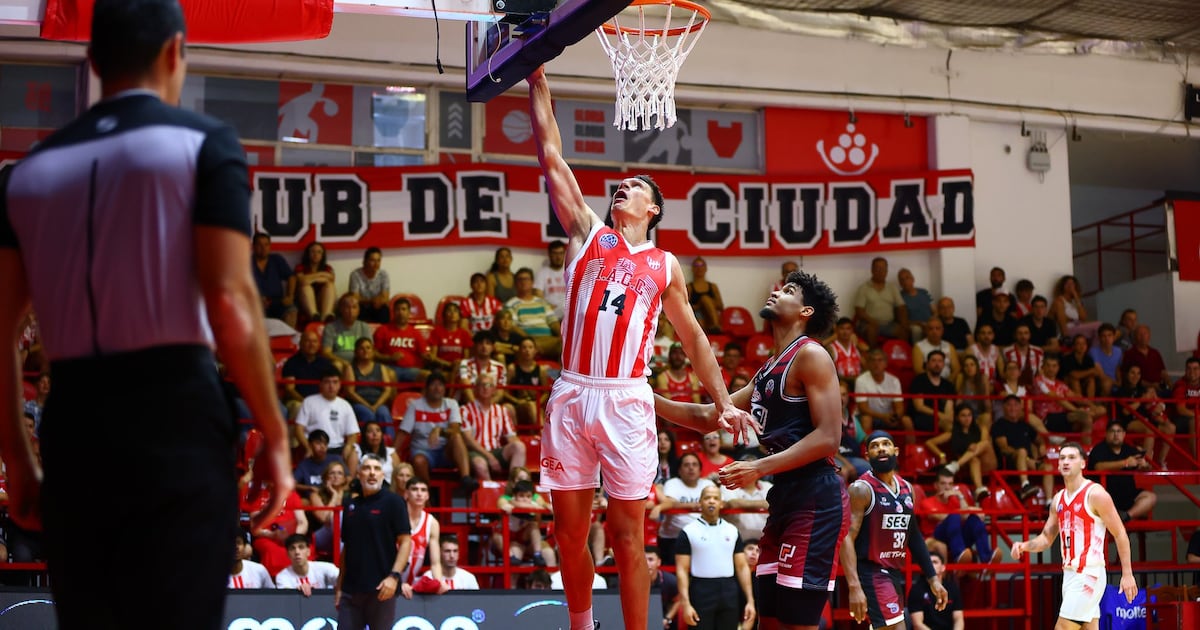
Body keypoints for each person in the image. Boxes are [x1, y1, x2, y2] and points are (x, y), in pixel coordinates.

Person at [0, 2, 293, 626]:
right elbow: (233, 304)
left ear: (93, 61)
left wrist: (19, 460)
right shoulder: (204, 143)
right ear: (175, 53)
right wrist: (275, 430)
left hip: (73, 420)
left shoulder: (23, 175)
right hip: (174, 415)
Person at [529, 65, 752, 630]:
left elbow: (696, 337)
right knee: (569, 533)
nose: (621, 187)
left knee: (629, 535)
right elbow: (552, 153)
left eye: (634, 186)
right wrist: (537, 81)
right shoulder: (585, 231)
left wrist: (723, 400)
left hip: (627, 399)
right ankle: (581, 624)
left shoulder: (664, 264)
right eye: (620, 184)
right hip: (574, 393)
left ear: (652, 208)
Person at [655, 269, 849, 630]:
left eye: (789, 291)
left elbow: (828, 438)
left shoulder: (811, 355)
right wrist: (641, 396)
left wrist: (758, 468)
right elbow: (705, 416)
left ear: (806, 312)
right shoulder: (766, 371)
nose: (777, 292)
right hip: (786, 496)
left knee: (796, 622)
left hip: (816, 496)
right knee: (770, 621)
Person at [1011, 443, 1138, 628]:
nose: (1066, 462)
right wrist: (1024, 546)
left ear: (1083, 463)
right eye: (1062, 458)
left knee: (1062, 627)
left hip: (1089, 574)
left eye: (1071, 457)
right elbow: (1046, 538)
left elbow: (1120, 533)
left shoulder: (1095, 494)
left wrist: (1127, 574)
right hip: (1070, 575)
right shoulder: (1058, 499)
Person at [841, 431, 948, 629]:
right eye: (874, 446)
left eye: (886, 444)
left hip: (892, 572)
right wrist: (854, 585)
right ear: (867, 455)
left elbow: (914, 536)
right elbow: (846, 537)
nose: (881, 448)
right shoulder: (861, 489)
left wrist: (933, 578)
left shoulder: (908, 489)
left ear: (895, 451)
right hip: (871, 571)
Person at [336, 453, 413, 629]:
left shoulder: (394, 502)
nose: (372, 473)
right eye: (367, 468)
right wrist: (339, 586)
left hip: (381, 589)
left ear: (383, 475)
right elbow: (347, 548)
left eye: (377, 469)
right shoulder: (350, 505)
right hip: (351, 590)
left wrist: (394, 577)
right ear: (358, 474)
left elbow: (406, 542)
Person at [674, 486, 756, 630]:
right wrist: (685, 603)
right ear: (700, 502)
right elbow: (681, 570)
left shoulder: (732, 530)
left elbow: (742, 567)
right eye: (707, 498)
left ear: (721, 503)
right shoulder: (688, 531)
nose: (711, 501)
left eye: (715, 498)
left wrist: (750, 600)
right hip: (701, 590)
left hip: (729, 590)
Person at [399, 371, 473, 490]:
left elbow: (456, 430)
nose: (437, 388)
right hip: (423, 451)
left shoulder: (451, 404)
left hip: (446, 452)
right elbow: (403, 432)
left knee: (457, 437)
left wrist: (440, 430)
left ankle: (466, 478)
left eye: (440, 385)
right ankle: (426, 499)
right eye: (433, 384)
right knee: (418, 461)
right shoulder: (415, 405)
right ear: (426, 388)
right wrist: (391, 454)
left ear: (444, 389)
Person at [916, 467, 995, 566]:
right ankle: (959, 554)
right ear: (936, 485)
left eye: (950, 484)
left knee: (974, 520)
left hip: (956, 537)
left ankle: (987, 558)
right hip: (937, 537)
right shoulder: (927, 502)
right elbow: (942, 517)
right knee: (954, 517)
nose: (947, 487)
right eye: (943, 483)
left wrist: (961, 497)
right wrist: (968, 511)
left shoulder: (955, 501)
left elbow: (980, 515)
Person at [460, 374, 527, 482]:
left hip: (496, 451)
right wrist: (490, 457)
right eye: (482, 385)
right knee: (480, 464)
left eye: (489, 385)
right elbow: (468, 441)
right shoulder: (465, 410)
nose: (486, 388)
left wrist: (520, 451)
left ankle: (515, 489)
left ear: (494, 390)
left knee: (519, 447)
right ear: (475, 388)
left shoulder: (502, 411)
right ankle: (491, 495)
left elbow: (512, 438)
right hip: (475, 452)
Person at [293, 367, 360, 475]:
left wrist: (348, 447)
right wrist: (308, 447)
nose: (331, 386)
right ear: (320, 384)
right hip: (315, 449)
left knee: (354, 452)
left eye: (335, 382)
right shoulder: (309, 402)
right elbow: (298, 429)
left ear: (340, 384)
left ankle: (350, 484)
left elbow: (353, 434)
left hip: (337, 449)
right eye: (327, 382)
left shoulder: (345, 405)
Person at [1086, 423, 1157, 522]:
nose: (1116, 434)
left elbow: (1143, 465)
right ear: (1106, 434)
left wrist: (1145, 466)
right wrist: (1125, 463)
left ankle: (1126, 516)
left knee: (1151, 497)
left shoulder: (1129, 449)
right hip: (1106, 496)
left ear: (1124, 434)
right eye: (1112, 431)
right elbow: (1099, 467)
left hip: (1128, 495)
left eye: (1119, 431)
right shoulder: (1099, 449)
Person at [925, 406, 995, 503]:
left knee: (984, 444)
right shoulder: (953, 433)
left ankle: (955, 465)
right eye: (963, 416)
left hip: (987, 462)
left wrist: (975, 446)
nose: (967, 418)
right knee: (974, 460)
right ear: (957, 417)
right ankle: (979, 488)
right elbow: (929, 442)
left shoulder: (981, 429)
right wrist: (941, 455)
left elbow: (984, 445)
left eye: (969, 415)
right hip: (969, 465)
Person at [854, 349, 915, 442]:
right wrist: (883, 417)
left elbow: (899, 407)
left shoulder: (894, 380)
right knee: (866, 419)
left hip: (888, 417)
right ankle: (865, 450)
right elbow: (863, 409)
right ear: (868, 363)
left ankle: (912, 452)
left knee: (907, 420)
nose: (876, 363)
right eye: (873, 360)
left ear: (886, 363)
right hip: (871, 416)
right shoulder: (861, 380)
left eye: (880, 360)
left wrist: (895, 417)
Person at [342, 338, 397, 433]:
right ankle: (367, 443)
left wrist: (376, 406)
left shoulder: (381, 367)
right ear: (356, 352)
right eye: (361, 348)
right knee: (368, 414)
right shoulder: (350, 368)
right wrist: (368, 406)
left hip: (378, 403)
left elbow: (387, 390)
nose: (365, 351)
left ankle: (389, 444)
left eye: (368, 348)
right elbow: (350, 392)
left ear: (373, 350)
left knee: (384, 413)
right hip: (358, 403)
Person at [853, 256, 909, 347]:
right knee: (872, 329)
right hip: (868, 323)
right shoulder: (864, 288)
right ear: (872, 270)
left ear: (887, 271)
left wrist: (904, 323)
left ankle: (901, 356)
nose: (880, 271)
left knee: (903, 331)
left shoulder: (892, 288)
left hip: (888, 324)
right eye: (877, 268)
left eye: (883, 268)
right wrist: (872, 321)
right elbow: (859, 310)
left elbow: (901, 307)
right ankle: (873, 355)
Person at [372, 297, 431, 384]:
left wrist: (427, 357)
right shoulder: (383, 330)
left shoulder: (415, 333)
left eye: (404, 309)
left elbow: (424, 354)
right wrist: (389, 358)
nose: (401, 312)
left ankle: (421, 398)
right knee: (390, 375)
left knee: (428, 376)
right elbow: (374, 354)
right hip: (389, 368)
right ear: (393, 312)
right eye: (398, 309)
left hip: (412, 370)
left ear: (408, 312)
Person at [398, 477, 442, 591]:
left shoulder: (432, 523)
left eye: (423, 490)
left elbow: (435, 563)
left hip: (412, 584)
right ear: (406, 494)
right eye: (415, 489)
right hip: (389, 580)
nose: (419, 493)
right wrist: (395, 582)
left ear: (427, 496)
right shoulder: (395, 518)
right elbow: (384, 555)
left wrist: (439, 583)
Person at [252, 232, 298, 329]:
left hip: (277, 301)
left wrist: (290, 295)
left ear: (270, 246)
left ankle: (286, 340)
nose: (263, 248)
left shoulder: (276, 259)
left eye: (266, 244)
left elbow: (291, 277)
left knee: (291, 310)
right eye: (259, 244)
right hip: (255, 302)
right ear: (253, 246)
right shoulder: (247, 261)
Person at [908, 551, 964, 630]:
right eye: (929, 563)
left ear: (943, 567)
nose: (931, 565)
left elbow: (958, 619)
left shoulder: (952, 588)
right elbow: (917, 624)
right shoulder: (917, 589)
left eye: (935, 562)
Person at [909, 350, 957, 434]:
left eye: (940, 361)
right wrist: (940, 415)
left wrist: (948, 417)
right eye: (933, 361)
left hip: (942, 418)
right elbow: (919, 406)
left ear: (943, 365)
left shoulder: (948, 384)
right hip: (922, 417)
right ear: (927, 364)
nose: (937, 364)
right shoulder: (919, 380)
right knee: (949, 427)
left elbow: (949, 407)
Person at [274, 534, 340, 595]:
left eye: (301, 547)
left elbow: (344, 580)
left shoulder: (325, 568)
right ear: (288, 554)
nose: (297, 552)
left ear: (308, 552)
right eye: (292, 548)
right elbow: (287, 600)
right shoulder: (282, 577)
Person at [322, 294, 373, 370]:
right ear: (341, 309)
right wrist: (343, 362)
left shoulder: (364, 327)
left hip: (360, 363)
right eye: (347, 307)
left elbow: (371, 351)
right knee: (337, 365)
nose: (350, 311)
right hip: (340, 363)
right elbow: (326, 352)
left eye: (354, 307)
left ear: (359, 310)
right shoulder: (330, 327)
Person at [1051, 275, 1102, 342]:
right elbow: (1061, 321)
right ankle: (1094, 350)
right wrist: (1066, 336)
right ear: (1062, 286)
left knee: (1103, 329)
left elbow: (1083, 317)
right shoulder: (1060, 301)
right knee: (1098, 326)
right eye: (1067, 283)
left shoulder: (1075, 302)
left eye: (1072, 283)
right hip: (1069, 329)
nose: (1070, 286)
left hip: (1079, 326)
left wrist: (1076, 296)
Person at [295, 241, 337, 322]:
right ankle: (314, 316)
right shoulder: (300, 267)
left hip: (321, 298)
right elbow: (302, 281)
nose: (316, 254)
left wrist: (311, 278)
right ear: (308, 253)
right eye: (313, 251)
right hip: (304, 300)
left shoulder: (327, 267)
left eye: (319, 252)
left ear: (322, 255)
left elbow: (331, 279)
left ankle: (326, 316)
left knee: (330, 285)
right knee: (306, 287)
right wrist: (320, 275)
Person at [348, 246, 391, 324]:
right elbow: (354, 298)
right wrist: (371, 301)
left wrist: (378, 301)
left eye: (378, 260)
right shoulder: (355, 275)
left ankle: (383, 334)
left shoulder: (383, 274)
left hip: (377, 307)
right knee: (356, 308)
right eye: (372, 260)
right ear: (365, 261)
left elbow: (385, 297)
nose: (376, 264)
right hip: (362, 306)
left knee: (384, 310)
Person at [825, 317, 867, 387]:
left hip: (858, 383)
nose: (845, 332)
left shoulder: (856, 345)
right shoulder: (831, 347)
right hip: (840, 383)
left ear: (852, 330)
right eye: (842, 328)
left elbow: (866, 366)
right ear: (836, 330)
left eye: (848, 329)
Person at [688, 257, 726, 333]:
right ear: (692, 269)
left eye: (701, 265)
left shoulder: (713, 286)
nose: (699, 268)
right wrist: (700, 304)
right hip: (697, 316)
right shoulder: (689, 287)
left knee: (705, 298)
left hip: (710, 316)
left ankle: (715, 326)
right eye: (696, 265)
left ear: (705, 268)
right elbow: (686, 307)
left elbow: (721, 306)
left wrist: (707, 303)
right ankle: (712, 329)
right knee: (703, 302)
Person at [646, 545, 681, 628]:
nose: (646, 563)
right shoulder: (630, 582)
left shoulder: (671, 581)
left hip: (663, 621)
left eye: (650, 560)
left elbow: (678, 600)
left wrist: (667, 619)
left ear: (659, 562)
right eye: (643, 560)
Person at [898, 268, 934, 341]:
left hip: (929, 322)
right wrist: (919, 323)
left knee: (936, 326)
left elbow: (934, 310)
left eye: (907, 278)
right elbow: (902, 320)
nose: (905, 281)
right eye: (902, 280)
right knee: (917, 330)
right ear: (900, 283)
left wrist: (931, 321)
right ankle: (917, 350)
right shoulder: (899, 297)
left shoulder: (924, 292)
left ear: (912, 279)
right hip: (914, 325)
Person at [536, 240, 569, 317]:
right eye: (555, 253)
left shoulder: (570, 271)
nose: (558, 257)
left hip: (568, 311)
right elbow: (537, 294)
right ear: (549, 254)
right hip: (550, 312)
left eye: (561, 253)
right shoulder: (542, 273)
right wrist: (547, 306)